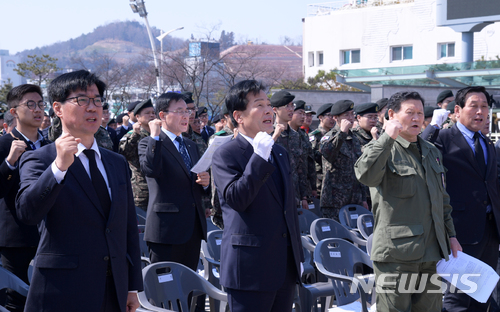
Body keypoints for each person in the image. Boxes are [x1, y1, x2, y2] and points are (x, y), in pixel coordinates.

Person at [16, 70, 143, 312]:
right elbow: (27, 213)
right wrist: (59, 167)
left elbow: (127, 227)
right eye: (82, 100)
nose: (93, 107)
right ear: (58, 108)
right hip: (62, 291)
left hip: (112, 289)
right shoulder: (40, 160)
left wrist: (132, 286)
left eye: (97, 100)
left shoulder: (116, 162)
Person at [354, 91, 461, 312]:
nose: (416, 118)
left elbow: (442, 199)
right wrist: (386, 138)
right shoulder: (382, 148)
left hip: (431, 253)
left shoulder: (431, 151)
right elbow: (365, 175)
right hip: (396, 256)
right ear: (392, 114)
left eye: (420, 113)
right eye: (410, 113)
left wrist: (451, 235)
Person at [212, 80, 303, 312]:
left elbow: (287, 208)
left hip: (284, 266)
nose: (268, 111)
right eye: (259, 104)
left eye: (269, 104)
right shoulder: (227, 153)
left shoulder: (279, 151)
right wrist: (259, 157)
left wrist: (297, 256)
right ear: (239, 116)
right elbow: (237, 199)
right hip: (250, 269)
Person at [426, 86, 500, 311]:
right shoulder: (443, 138)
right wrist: (433, 126)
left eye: (484, 107)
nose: (480, 112)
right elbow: (418, 152)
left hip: (489, 231)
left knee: (482, 295)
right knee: (458, 298)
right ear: (457, 110)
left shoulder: (487, 143)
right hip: (459, 232)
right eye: (474, 106)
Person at [138, 92, 209, 272]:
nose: (187, 116)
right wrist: (155, 135)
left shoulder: (190, 145)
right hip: (166, 230)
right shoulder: (149, 143)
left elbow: (191, 183)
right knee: (164, 289)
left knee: (190, 287)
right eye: (179, 111)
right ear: (162, 115)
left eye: (187, 111)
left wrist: (205, 183)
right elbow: (151, 170)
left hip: (192, 229)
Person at [0, 84, 51, 312]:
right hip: (16, 238)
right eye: (30, 104)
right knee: (17, 299)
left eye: (41, 104)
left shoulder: (52, 147)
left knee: (49, 297)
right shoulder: (3, 145)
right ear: (13, 112)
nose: (37, 109)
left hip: (50, 234)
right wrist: (9, 163)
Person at [320, 100, 368, 220]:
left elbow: (359, 168)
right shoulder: (329, 137)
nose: (351, 118)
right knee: (337, 236)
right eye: (346, 115)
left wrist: (363, 198)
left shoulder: (355, 139)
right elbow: (327, 153)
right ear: (336, 118)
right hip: (334, 200)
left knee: (356, 235)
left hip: (354, 198)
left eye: (352, 114)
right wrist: (342, 133)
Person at [271, 90, 309, 209]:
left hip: (294, 195)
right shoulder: (267, 135)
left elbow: (301, 168)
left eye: (292, 105)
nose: (291, 109)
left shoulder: (296, 135)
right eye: (286, 106)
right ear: (275, 110)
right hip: (275, 194)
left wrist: (304, 197)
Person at [119, 98, 156, 212]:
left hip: (159, 186)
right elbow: (123, 153)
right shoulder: (132, 134)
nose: (151, 115)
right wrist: (135, 135)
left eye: (153, 113)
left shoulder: (158, 134)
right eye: (147, 113)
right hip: (141, 189)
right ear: (138, 117)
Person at [290, 100, 317, 199]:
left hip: (305, 189)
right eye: (300, 113)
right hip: (290, 189)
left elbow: (310, 163)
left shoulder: (304, 135)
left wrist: (313, 187)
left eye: (304, 114)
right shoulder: (281, 135)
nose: (304, 117)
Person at [309, 103, 334, 198]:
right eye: (329, 116)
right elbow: (313, 159)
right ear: (320, 117)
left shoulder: (334, 136)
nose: (332, 119)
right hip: (320, 182)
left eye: (334, 116)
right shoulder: (315, 136)